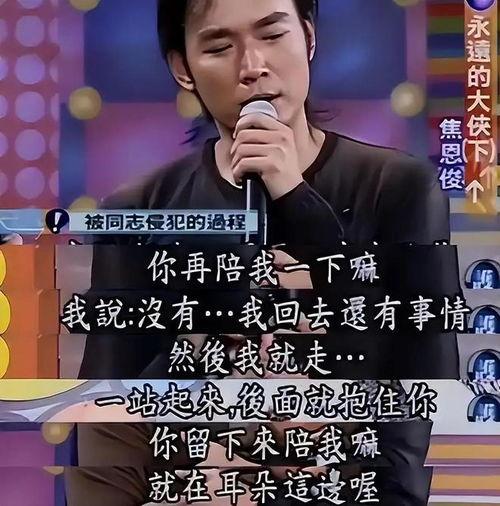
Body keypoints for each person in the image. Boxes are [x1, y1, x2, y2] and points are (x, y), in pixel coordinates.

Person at [65, 0, 460, 504]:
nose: (252, 66)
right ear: (183, 68)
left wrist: (294, 196)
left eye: (272, 35)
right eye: (219, 47)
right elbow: (104, 414)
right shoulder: (140, 210)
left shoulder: (399, 188)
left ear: (309, 38)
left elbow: (421, 393)